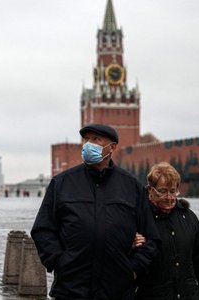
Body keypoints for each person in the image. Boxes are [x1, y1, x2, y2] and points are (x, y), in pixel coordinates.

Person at [31, 124, 160, 299]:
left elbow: (151, 236)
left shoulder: (131, 186)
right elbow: (43, 229)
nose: (88, 144)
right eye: (86, 139)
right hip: (72, 290)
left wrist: (134, 269)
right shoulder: (62, 183)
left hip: (117, 290)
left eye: (96, 139)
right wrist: (59, 262)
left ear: (112, 147)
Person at [134, 162, 199, 300]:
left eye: (173, 191)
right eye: (162, 191)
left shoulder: (189, 218)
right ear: (150, 189)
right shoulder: (138, 218)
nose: (169, 197)